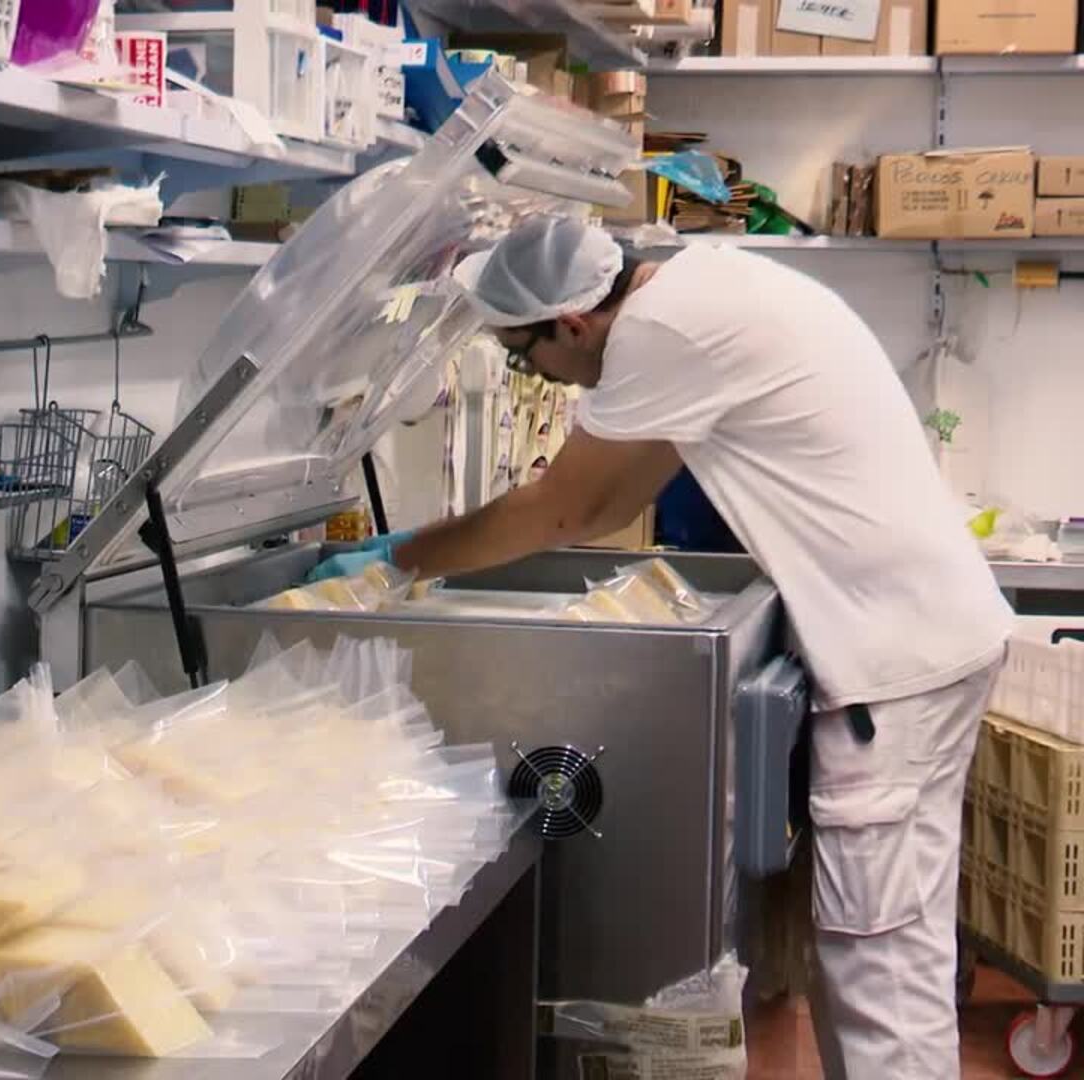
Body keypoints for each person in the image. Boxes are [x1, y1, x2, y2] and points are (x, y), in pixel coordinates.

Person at [330, 215, 1012, 1078]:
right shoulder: (698, 290)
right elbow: (616, 500)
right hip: (919, 641)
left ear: (572, 324)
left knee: (880, 969)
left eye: (523, 356)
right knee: (876, 957)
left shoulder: (660, 333)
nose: (539, 379)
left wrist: (398, 561)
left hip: (898, 665)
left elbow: (569, 509)